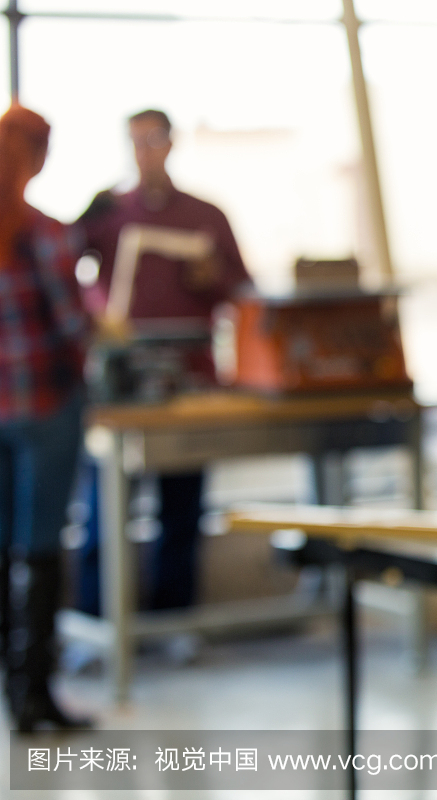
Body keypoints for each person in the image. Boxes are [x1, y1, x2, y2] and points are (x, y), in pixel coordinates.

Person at [75, 109, 252, 614]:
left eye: (152, 140)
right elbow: (60, 270)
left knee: (182, 510)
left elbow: (242, 290)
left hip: (188, 383)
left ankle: (174, 620)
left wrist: (210, 278)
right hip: (121, 385)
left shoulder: (205, 215)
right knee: (102, 514)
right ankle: (98, 621)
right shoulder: (109, 213)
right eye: (134, 141)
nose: (143, 150)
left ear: (171, 144)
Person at [0, 104, 92, 730]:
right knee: (40, 548)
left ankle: (10, 690)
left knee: (4, 547)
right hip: (46, 409)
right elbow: (71, 328)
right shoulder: (43, 232)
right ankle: (34, 695)